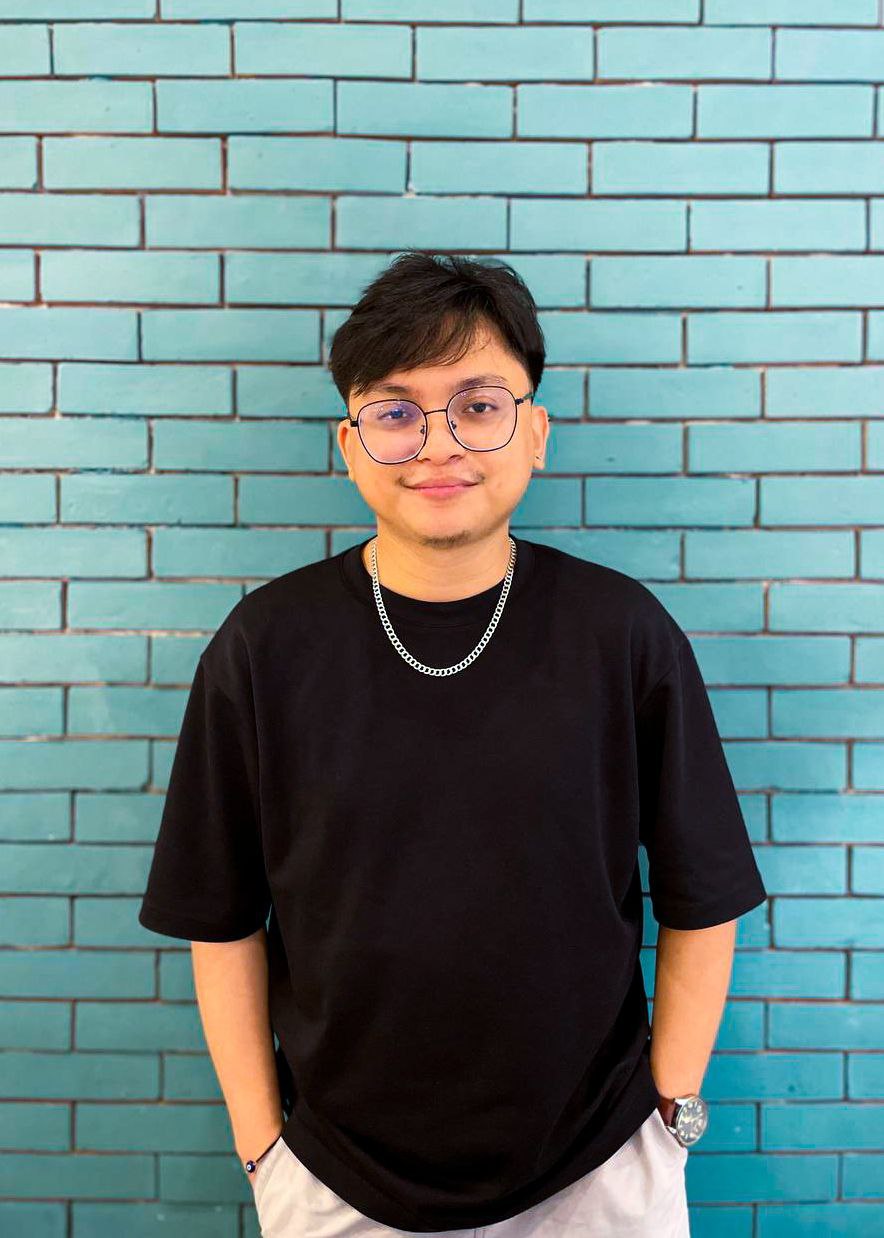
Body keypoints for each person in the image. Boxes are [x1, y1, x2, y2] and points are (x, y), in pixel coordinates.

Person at [138, 251, 767, 1237]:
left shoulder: (621, 634)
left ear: (536, 433)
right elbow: (217, 918)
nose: (438, 444)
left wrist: (668, 1118)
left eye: (477, 405)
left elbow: (704, 896)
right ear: (350, 446)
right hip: (337, 1180)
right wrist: (263, 1147)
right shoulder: (264, 647)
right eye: (395, 412)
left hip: (599, 1169)